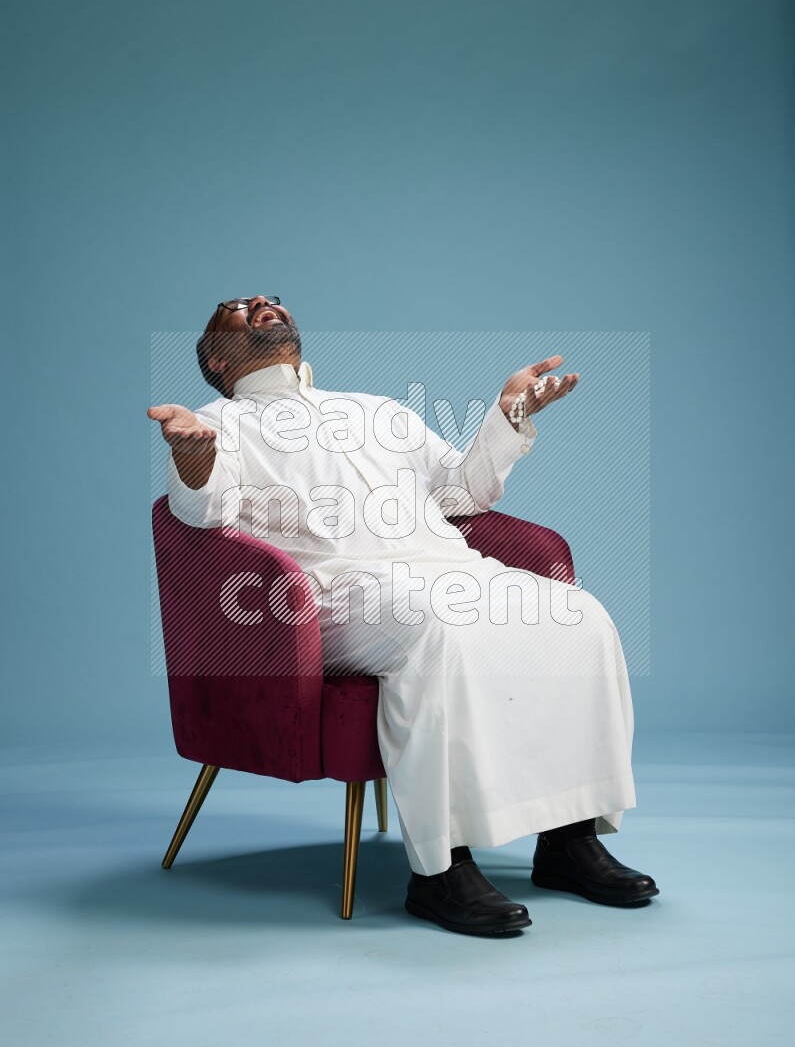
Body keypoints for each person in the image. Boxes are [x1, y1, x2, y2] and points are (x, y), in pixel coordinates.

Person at [147, 294, 658, 937]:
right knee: (437, 626)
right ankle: (442, 870)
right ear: (218, 359)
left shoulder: (379, 411)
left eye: (270, 299)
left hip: (447, 570)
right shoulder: (218, 423)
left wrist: (508, 416)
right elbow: (203, 517)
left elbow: (461, 491)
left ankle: (569, 840)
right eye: (237, 307)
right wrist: (193, 459)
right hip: (329, 596)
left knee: (579, 616)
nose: (261, 304)